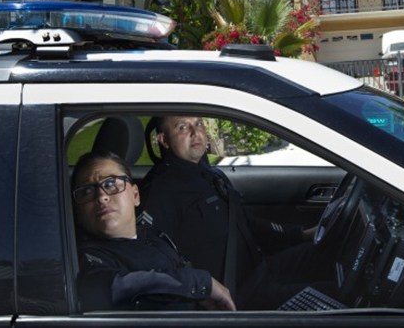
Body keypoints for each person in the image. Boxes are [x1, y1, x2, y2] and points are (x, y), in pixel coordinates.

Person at [139, 116, 327, 309]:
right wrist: (199, 290)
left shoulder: (212, 176)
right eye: (183, 127)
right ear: (163, 140)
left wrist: (301, 234)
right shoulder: (161, 191)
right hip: (235, 298)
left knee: (323, 252)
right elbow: (150, 259)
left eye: (199, 124)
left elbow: (246, 222)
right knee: (331, 293)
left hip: (259, 270)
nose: (195, 133)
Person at [72, 150, 235, 311]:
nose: (101, 197)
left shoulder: (153, 235)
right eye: (87, 191)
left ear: (135, 195)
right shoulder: (87, 258)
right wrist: (201, 283)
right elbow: (112, 288)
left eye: (110, 184)